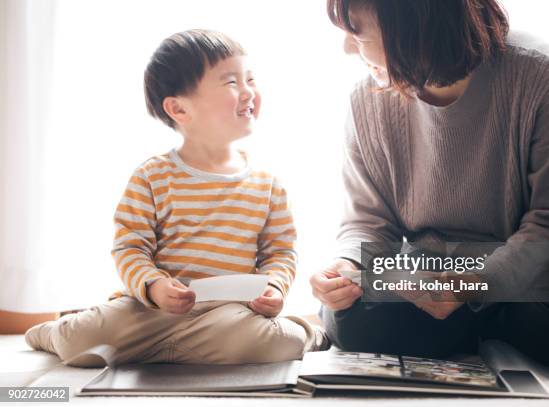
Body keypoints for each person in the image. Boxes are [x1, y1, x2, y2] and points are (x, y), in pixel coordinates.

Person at [310, 0, 549, 368]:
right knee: (350, 319)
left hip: (542, 267)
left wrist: (473, 284)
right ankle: (482, 325)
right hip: (437, 269)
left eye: (356, 35)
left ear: (413, 28)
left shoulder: (539, 74)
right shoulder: (366, 101)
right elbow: (368, 222)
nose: (346, 49)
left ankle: (466, 325)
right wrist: (348, 266)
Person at [25, 29, 328, 367]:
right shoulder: (152, 177)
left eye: (251, 79)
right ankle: (55, 333)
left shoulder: (268, 185)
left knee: (276, 343)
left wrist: (274, 287)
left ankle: (308, 333)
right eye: (231, 83)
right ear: (179, 109)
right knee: (79, 343)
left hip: (227, 314)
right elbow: (130, 247)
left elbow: (280, 252)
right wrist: (154, 287)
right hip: (150, 312)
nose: (248, 92)